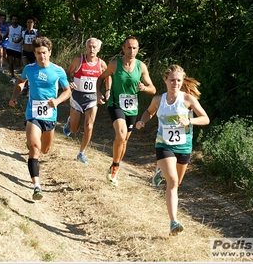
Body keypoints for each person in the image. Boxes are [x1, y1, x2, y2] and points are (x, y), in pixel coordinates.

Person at [135, 64, 210, 235]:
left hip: (184, 146)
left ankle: (160, 173)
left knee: (176, 183)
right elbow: (149, 112)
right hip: (164, 144)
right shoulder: (158, 99)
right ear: (165, 80)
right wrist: (143, 121)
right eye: (172, 80)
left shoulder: (188, 100)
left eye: (178, 80)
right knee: (173, 181)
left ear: (182, 81)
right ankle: (173, 222)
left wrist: (190, 121)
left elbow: (205, 119)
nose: (175, 83)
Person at [9, 36, 71, 200]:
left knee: (45, 149)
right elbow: (21, 81)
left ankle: (33, 141)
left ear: (49, 52)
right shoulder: (29, 69)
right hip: (33, 113)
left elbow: (67, 91)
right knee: (35, 148)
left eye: (44, 52)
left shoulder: (58, 71)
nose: (41, 56)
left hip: (50, 115)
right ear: (34, 54)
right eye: (38, 53)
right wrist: (15, 95)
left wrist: (57, 101)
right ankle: (37, 186)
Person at [96, 36, 156, 187]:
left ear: (138, 49)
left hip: (132, 108)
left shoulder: (141, 67)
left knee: (125, 140)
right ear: (123, 49)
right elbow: (101, 78)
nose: (131, 51)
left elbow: (153, 89)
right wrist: (98, 92)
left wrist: (144, 88)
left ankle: (114, 166)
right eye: (128, 47)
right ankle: (115, 168)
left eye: (134, 48)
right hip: (115, 104)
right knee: (121, 134)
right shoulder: (115, 65)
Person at [63, 38, 111, 164]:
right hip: (77, 97)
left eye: (94, 47)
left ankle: (81, 153)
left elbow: (108, 77)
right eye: (89, 46)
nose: (92, 49)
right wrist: (69, 82)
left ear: (99, 49)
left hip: (92, 99)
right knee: (74, 130)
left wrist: (107, 90)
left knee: (89, 126)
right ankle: (69, 124)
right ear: (86, 48)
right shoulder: (78, 60)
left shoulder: (101, 64)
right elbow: (67, 72)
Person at [18, 16, 39, 95]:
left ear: (34, 23)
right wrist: (14, 40)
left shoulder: (36, 32)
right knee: (26, 69)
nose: (29, 23)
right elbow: (19, 40)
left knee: (33, 70)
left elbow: (41, 40)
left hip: (34, 54)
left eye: (31, 22)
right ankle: (26, 87)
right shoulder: (23, 32)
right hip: (25, 52)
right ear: (26, 24)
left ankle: (32, 86)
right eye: (28, 22)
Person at [3, 14, 22, 83]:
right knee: (11, 62)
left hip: (17, 49)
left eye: (16, 19)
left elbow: (23, 36)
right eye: (13, 19)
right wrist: (1, 40)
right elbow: (5, 36)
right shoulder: (9, 28)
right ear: (11, 20)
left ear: (17, 20)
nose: (14, 21)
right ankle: (12, 76)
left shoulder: (21, 28)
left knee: (17, 64)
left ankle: (12, 68)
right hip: (10, 47)